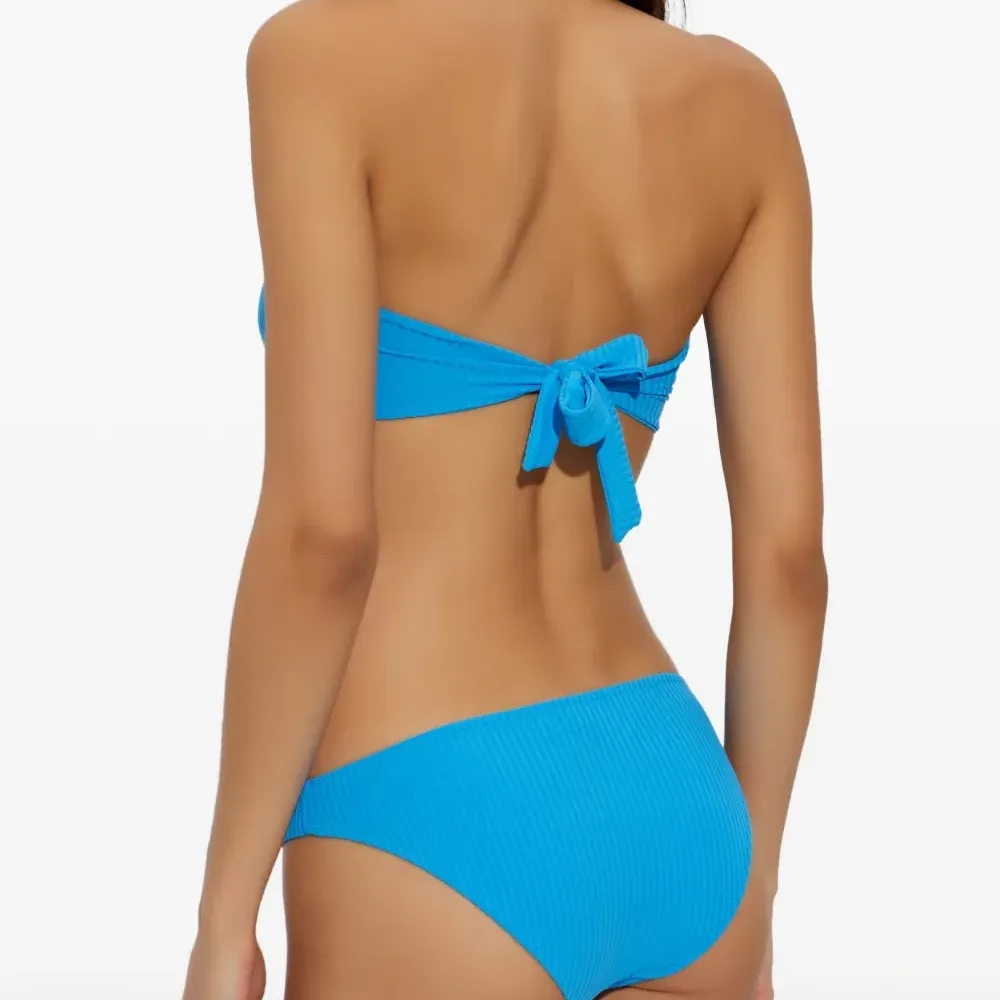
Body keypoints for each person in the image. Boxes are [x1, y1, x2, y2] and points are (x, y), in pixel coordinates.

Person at [181, 0, 826, 998]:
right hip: (678, 803)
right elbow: (789, 562)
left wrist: (226, 912)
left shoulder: (323, 55)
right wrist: (753, 880)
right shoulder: (738, 100)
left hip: (424, 814)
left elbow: (325, 539)